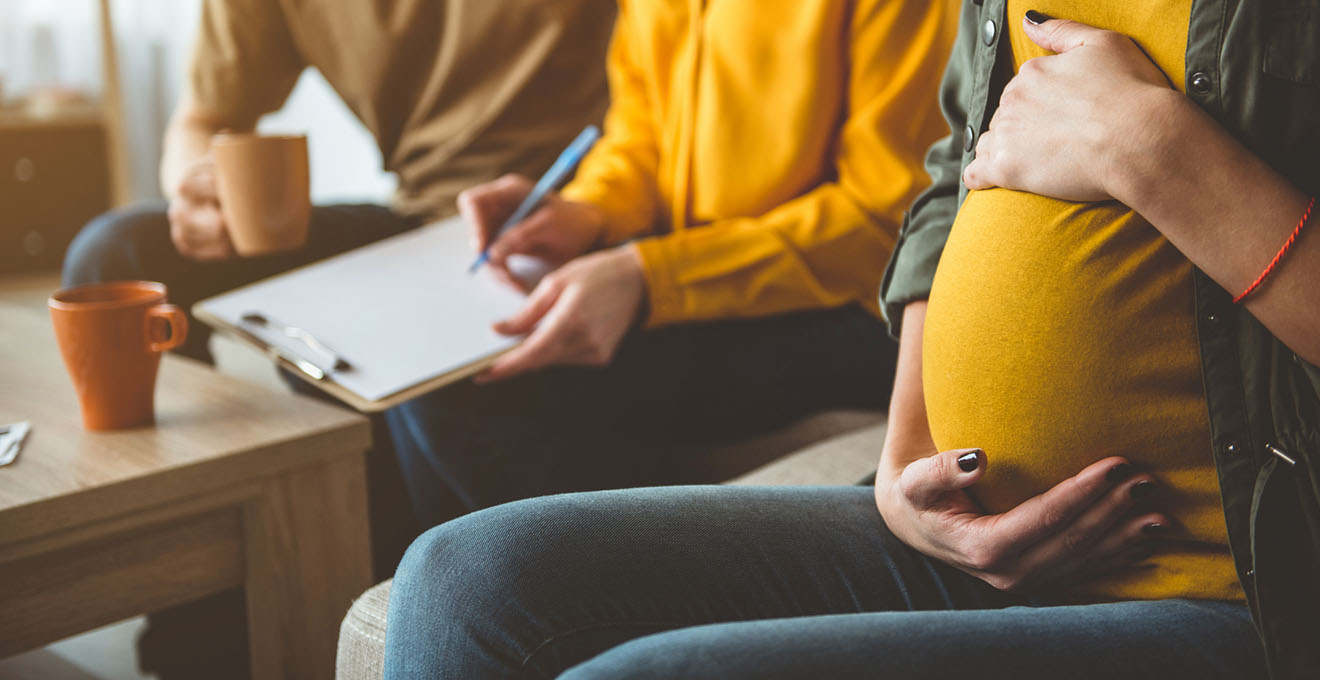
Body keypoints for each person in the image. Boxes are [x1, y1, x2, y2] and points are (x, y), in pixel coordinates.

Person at [380, 1, 1320, 678]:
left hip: (1246, 578)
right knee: (458, 579)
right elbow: (950, 182)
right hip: (961, 524)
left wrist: (1153, 147)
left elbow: (873, 206)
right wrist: (899, 467)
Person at [61, 1, 616, 678]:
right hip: (418, 218)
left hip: (572, 213)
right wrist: (197, 189)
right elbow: (203, 120)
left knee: (412, 345)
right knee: (117, 255)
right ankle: (203, 637)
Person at [378, 0, 956, 526]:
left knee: (461, 390)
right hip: (700, 276)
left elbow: (884, 222)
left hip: (857, 310)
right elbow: (640, 131)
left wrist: (652, 277)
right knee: (420, 363)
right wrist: (586, 210)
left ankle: (575, 600)